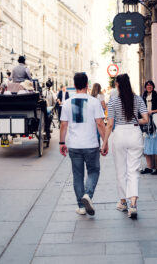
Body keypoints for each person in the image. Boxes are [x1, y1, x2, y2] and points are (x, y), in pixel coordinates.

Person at [59, 73, 108, 216]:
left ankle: (81, 206)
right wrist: (105, 142)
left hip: (74, 145)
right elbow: (100, 123)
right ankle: (88, 195)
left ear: (74, 86)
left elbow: (63, 125)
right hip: (91, 144)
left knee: (77, 175)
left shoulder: (67, 102)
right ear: (87, 85)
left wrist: (62, 142)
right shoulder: (94, 102)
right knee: (94, 171)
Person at [101, 74, 148, 219]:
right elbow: (146, 119)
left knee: (121, 170)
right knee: (133, 170)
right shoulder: (138, 99)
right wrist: (134, 122)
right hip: (135, 133)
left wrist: (104, 142)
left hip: (120, 134)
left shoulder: (113, 101)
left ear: (117, 85)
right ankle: (133, 204)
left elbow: (109, 124)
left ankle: (123, 202)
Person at [140, 80, 157, 175]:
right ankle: (149, 167)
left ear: (153, 87)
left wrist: (152, 111)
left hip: (156, 124)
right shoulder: (143, 97)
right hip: (147, 125)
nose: (149, 87)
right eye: (147, 85)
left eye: (150, 85)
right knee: (147, 146)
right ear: (145, 87)